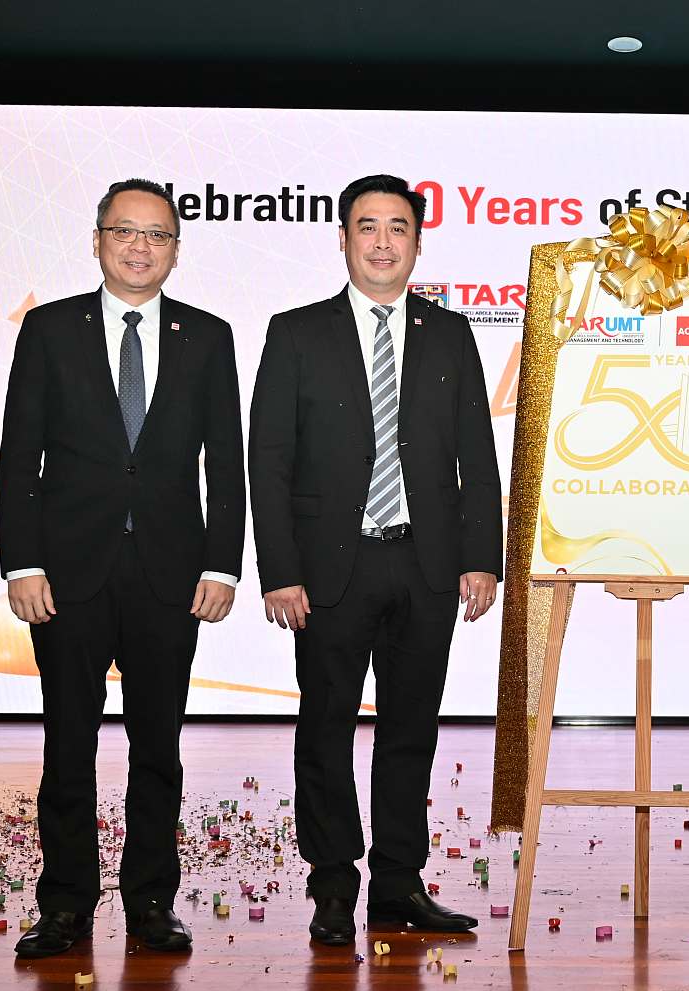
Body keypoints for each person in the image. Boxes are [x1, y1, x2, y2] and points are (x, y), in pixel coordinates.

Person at [249, 174, 502, 946]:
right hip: (330, 569)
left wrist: (480, 557)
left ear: (418, 242)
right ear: (343, 237)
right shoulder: (295, 332)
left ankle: (397, 883)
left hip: (425, 567)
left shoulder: (450, 332)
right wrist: (279, 570)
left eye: (399, 227)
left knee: (410, 730)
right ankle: (332, 886)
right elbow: (270, 459)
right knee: (323, 726)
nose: (383, 241)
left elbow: (475, 456)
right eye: (367, 226)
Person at [0, 179, 245, 958]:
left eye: (157, 235)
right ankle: (65, 904)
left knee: (158, 748)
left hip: (171, 575)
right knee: (66, 744)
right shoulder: (48, 330)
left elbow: (227, 466)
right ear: (97, 239)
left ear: (176, 249)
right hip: (67, 573)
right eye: (124, 232)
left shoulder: (208, 336)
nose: (140, 247)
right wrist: (22, 562)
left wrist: (224, 566)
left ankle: (150, 903)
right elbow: (19, 462)